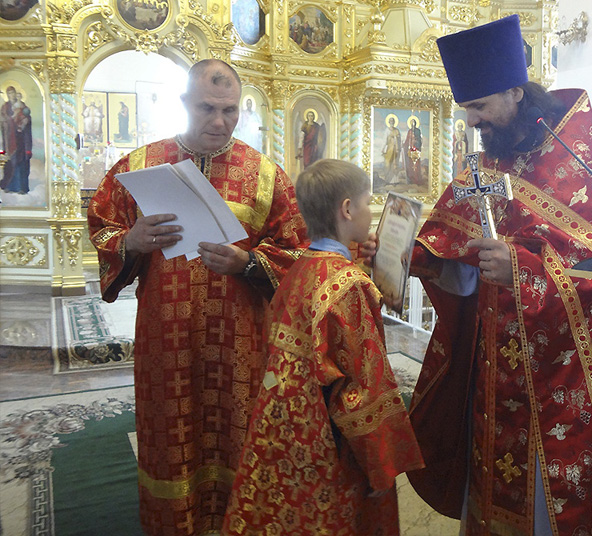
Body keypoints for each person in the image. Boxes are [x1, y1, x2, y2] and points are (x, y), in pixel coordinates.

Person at [406, 15, 592, 535]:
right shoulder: (489, 160)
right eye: (467, 109)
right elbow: (454, 250)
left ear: (515, 92)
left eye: (479, 107)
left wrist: (522, 269)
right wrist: (415, 257)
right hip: (492, 364)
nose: (472, 121)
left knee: (546, 505)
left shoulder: (575, 159)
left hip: (556, 375)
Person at [87, 59, 309, 536]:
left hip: (239, 339)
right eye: (207, 108)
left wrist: (248, 262)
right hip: (166, 335)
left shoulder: (266, 175)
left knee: (237, 429)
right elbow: (103, 225)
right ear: (184, 103)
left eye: (230, 110)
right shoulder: (140, 166)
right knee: (169, 429)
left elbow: (296, 250)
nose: (219, 121)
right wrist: (130, 241)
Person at [221, 159, 424, 535]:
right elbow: (363, 387)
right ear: (347, 209)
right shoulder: (350, 285)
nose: (370, 213)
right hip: (330, 442)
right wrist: (379, 464)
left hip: (288, 428)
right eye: (366, 202)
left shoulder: (299, 268)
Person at [0, 86, 32, 194]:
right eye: (9, 93)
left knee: (21, 162)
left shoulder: (22, 106)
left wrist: (25, 120)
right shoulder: (5, 107)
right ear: (7, 95)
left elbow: (27, 117)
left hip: (20, 139)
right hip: (9, 139)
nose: (12, 95)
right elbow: (3, 120)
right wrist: (9, 120)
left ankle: (21, 187)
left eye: (13, 93)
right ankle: (9, 186)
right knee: (10, 162)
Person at [382, 115, 402, 184]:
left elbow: (399, 140)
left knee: (395, 163)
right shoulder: (387, 130)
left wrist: (398, 146)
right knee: (388, 163)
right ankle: (388, 179)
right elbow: (385, 140)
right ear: (389, 122)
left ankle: (395, 180)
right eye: (390, 121)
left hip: (396, 149)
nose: (392, 122)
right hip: (389, 149)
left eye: (393, 121)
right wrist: (383, 148)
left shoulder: (397, 130)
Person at [404, 117, 423, 185]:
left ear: (415, 123)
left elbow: (420, 140)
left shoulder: (418, 131)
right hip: (410, 150)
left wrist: (416, 142)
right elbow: (407, 140)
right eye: (411, 123)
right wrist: (404, 145)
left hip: (416, 151)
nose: (413, 124)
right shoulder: (409, 131)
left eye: (414, 123)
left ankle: (417, 180)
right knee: (410, 166)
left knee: (416, 166)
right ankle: (411, 180)